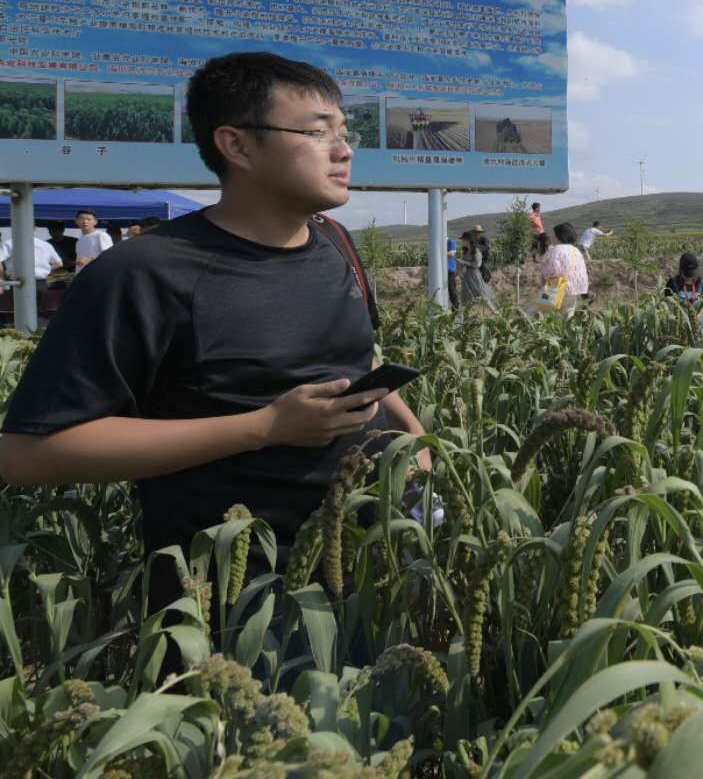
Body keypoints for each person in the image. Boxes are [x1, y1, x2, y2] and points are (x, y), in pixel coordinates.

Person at [0, 51, 427, 619]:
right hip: (238, 600)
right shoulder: (144, 274)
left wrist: (415, 446)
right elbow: (28, 454)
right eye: (318, 132)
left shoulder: (335, 244)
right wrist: (262, 428)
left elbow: (357, 361)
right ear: (237, 145)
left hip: (374, 571)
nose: (344, 150)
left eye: (345, 133)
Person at [2, 228, 64, 316]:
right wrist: (45, 269)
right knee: (38, 314)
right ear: (35, 229)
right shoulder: (45, 244)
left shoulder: (9, 243)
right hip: (39, 282)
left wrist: (3, 276)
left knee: (20, 314)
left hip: (19, 282)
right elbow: (59, 263)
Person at [539, 222, 590, 315]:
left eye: (554, 235)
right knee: (568, 312)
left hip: (556, 286)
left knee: (542, 312)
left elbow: (553, 270)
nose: (552, 237)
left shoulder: (556, 249)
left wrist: (544, 280)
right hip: (574, 288)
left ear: (559, 236)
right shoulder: (575, 250)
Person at [458, 229, 497, 310]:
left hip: (474, 276)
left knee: (482, 296)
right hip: (466, 277)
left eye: (463, 240)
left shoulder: (476, 251)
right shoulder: (465, 251)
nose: (462, 242)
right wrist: (460, 272)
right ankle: (462, 320)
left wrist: (463, 262)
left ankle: (496, 314)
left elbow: (477, 264)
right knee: (465, 297)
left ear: (468, 240)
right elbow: (462, 264)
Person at [445, 235, 459, 310]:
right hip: (442, 271)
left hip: (450, 270)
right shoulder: (440, 243)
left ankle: (456, 312)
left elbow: (452, 253)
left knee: (452, 292)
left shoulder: (451, 242)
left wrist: (439, 255)